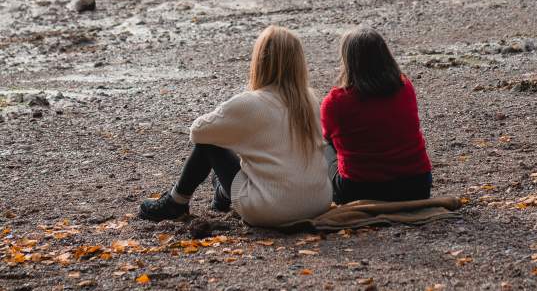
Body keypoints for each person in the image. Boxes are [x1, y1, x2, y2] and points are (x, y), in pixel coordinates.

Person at [139, 25, 332, 227]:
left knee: (210, 143)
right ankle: (220, 195)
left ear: (260, 61)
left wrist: (236, 132)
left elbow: (198, 132)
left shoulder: (250, 103)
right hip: (318, 203)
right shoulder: (310, 101)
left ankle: (175, 202)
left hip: (271, 210)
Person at [321, 27, 433, 204]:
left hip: (360, 190)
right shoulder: (405, 87)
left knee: (324, 146)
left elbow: (329, 139)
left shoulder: (336, 101)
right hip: (417, 185)